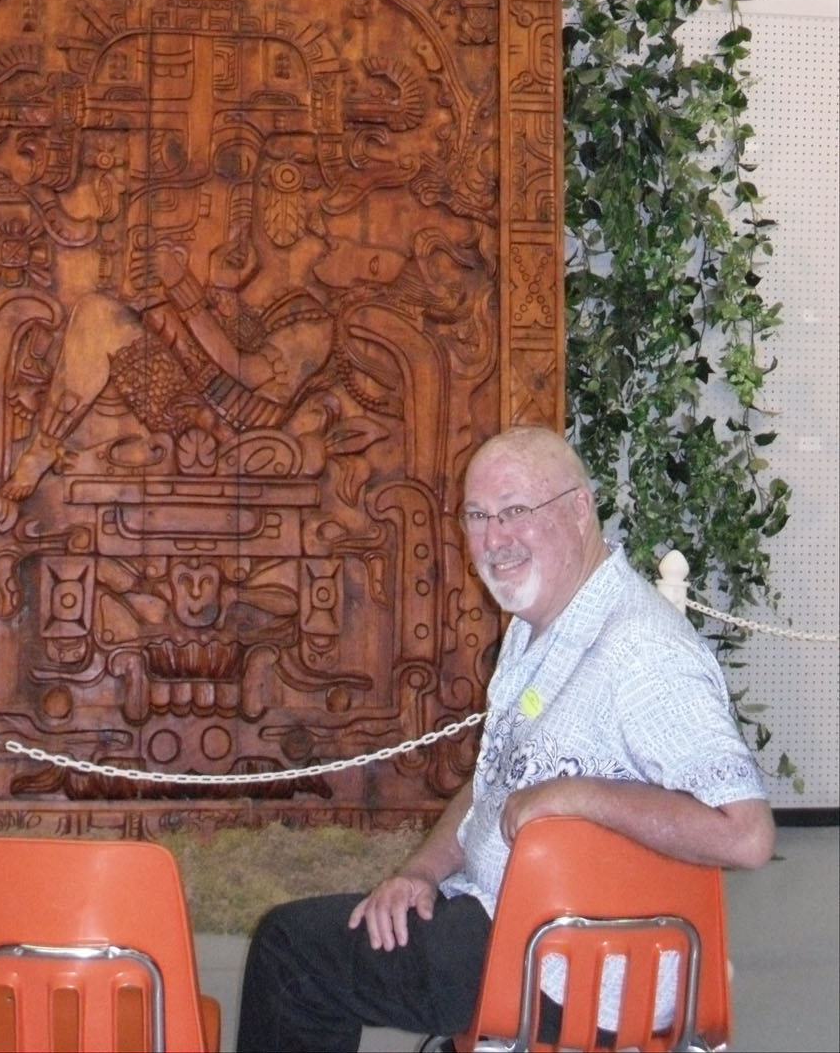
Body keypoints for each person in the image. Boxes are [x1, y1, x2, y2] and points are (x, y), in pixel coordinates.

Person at [235, 426, 775, 1052]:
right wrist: (422, 873)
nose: (494, 539)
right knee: (330, 936)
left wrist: (578, 795)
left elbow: (746, 833)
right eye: (478, 516)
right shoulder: (538, 624)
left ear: (579, 509)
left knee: (293, 952)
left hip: (575, 969)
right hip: (505, 921)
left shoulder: (643, 650)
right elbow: (496, 781)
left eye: (516, 512)